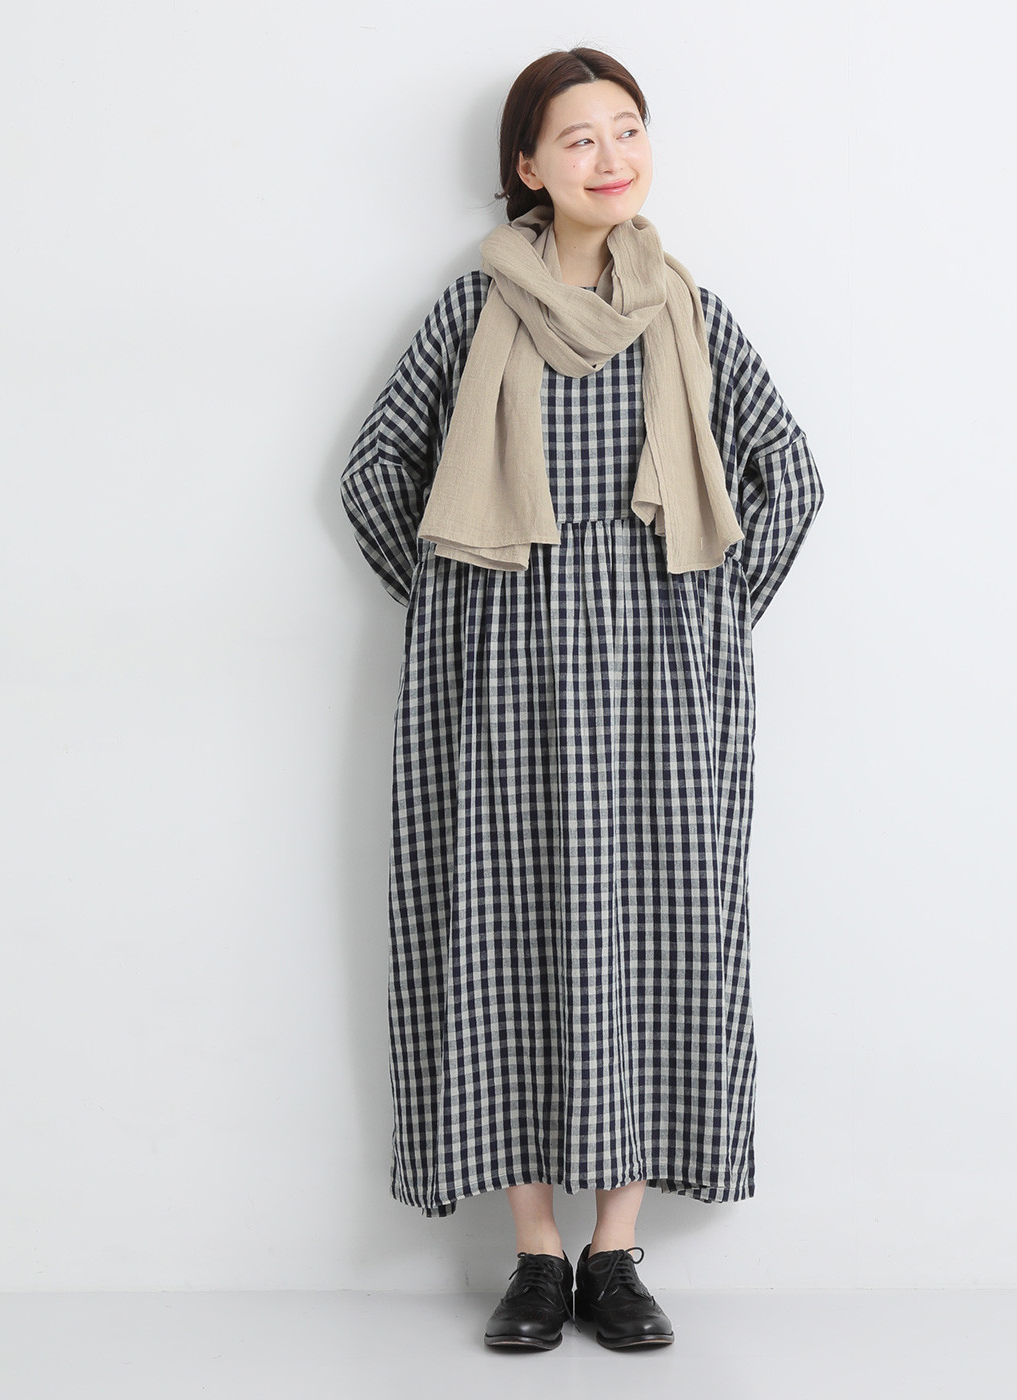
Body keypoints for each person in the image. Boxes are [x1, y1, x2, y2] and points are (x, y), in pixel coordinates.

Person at [340, 47, 824, 1351]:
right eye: (579, 138)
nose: (612, 158)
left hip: (661, 690)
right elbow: (377, 470)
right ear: (527, 165)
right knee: (502, 930)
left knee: (657, 933)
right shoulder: (474, 309)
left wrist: (711, 617)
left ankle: (616, 1249)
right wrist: (457, 617)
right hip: (502, 680)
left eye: (628, 129)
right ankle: (535, 1255)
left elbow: (790, 470)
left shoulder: (684, 309)